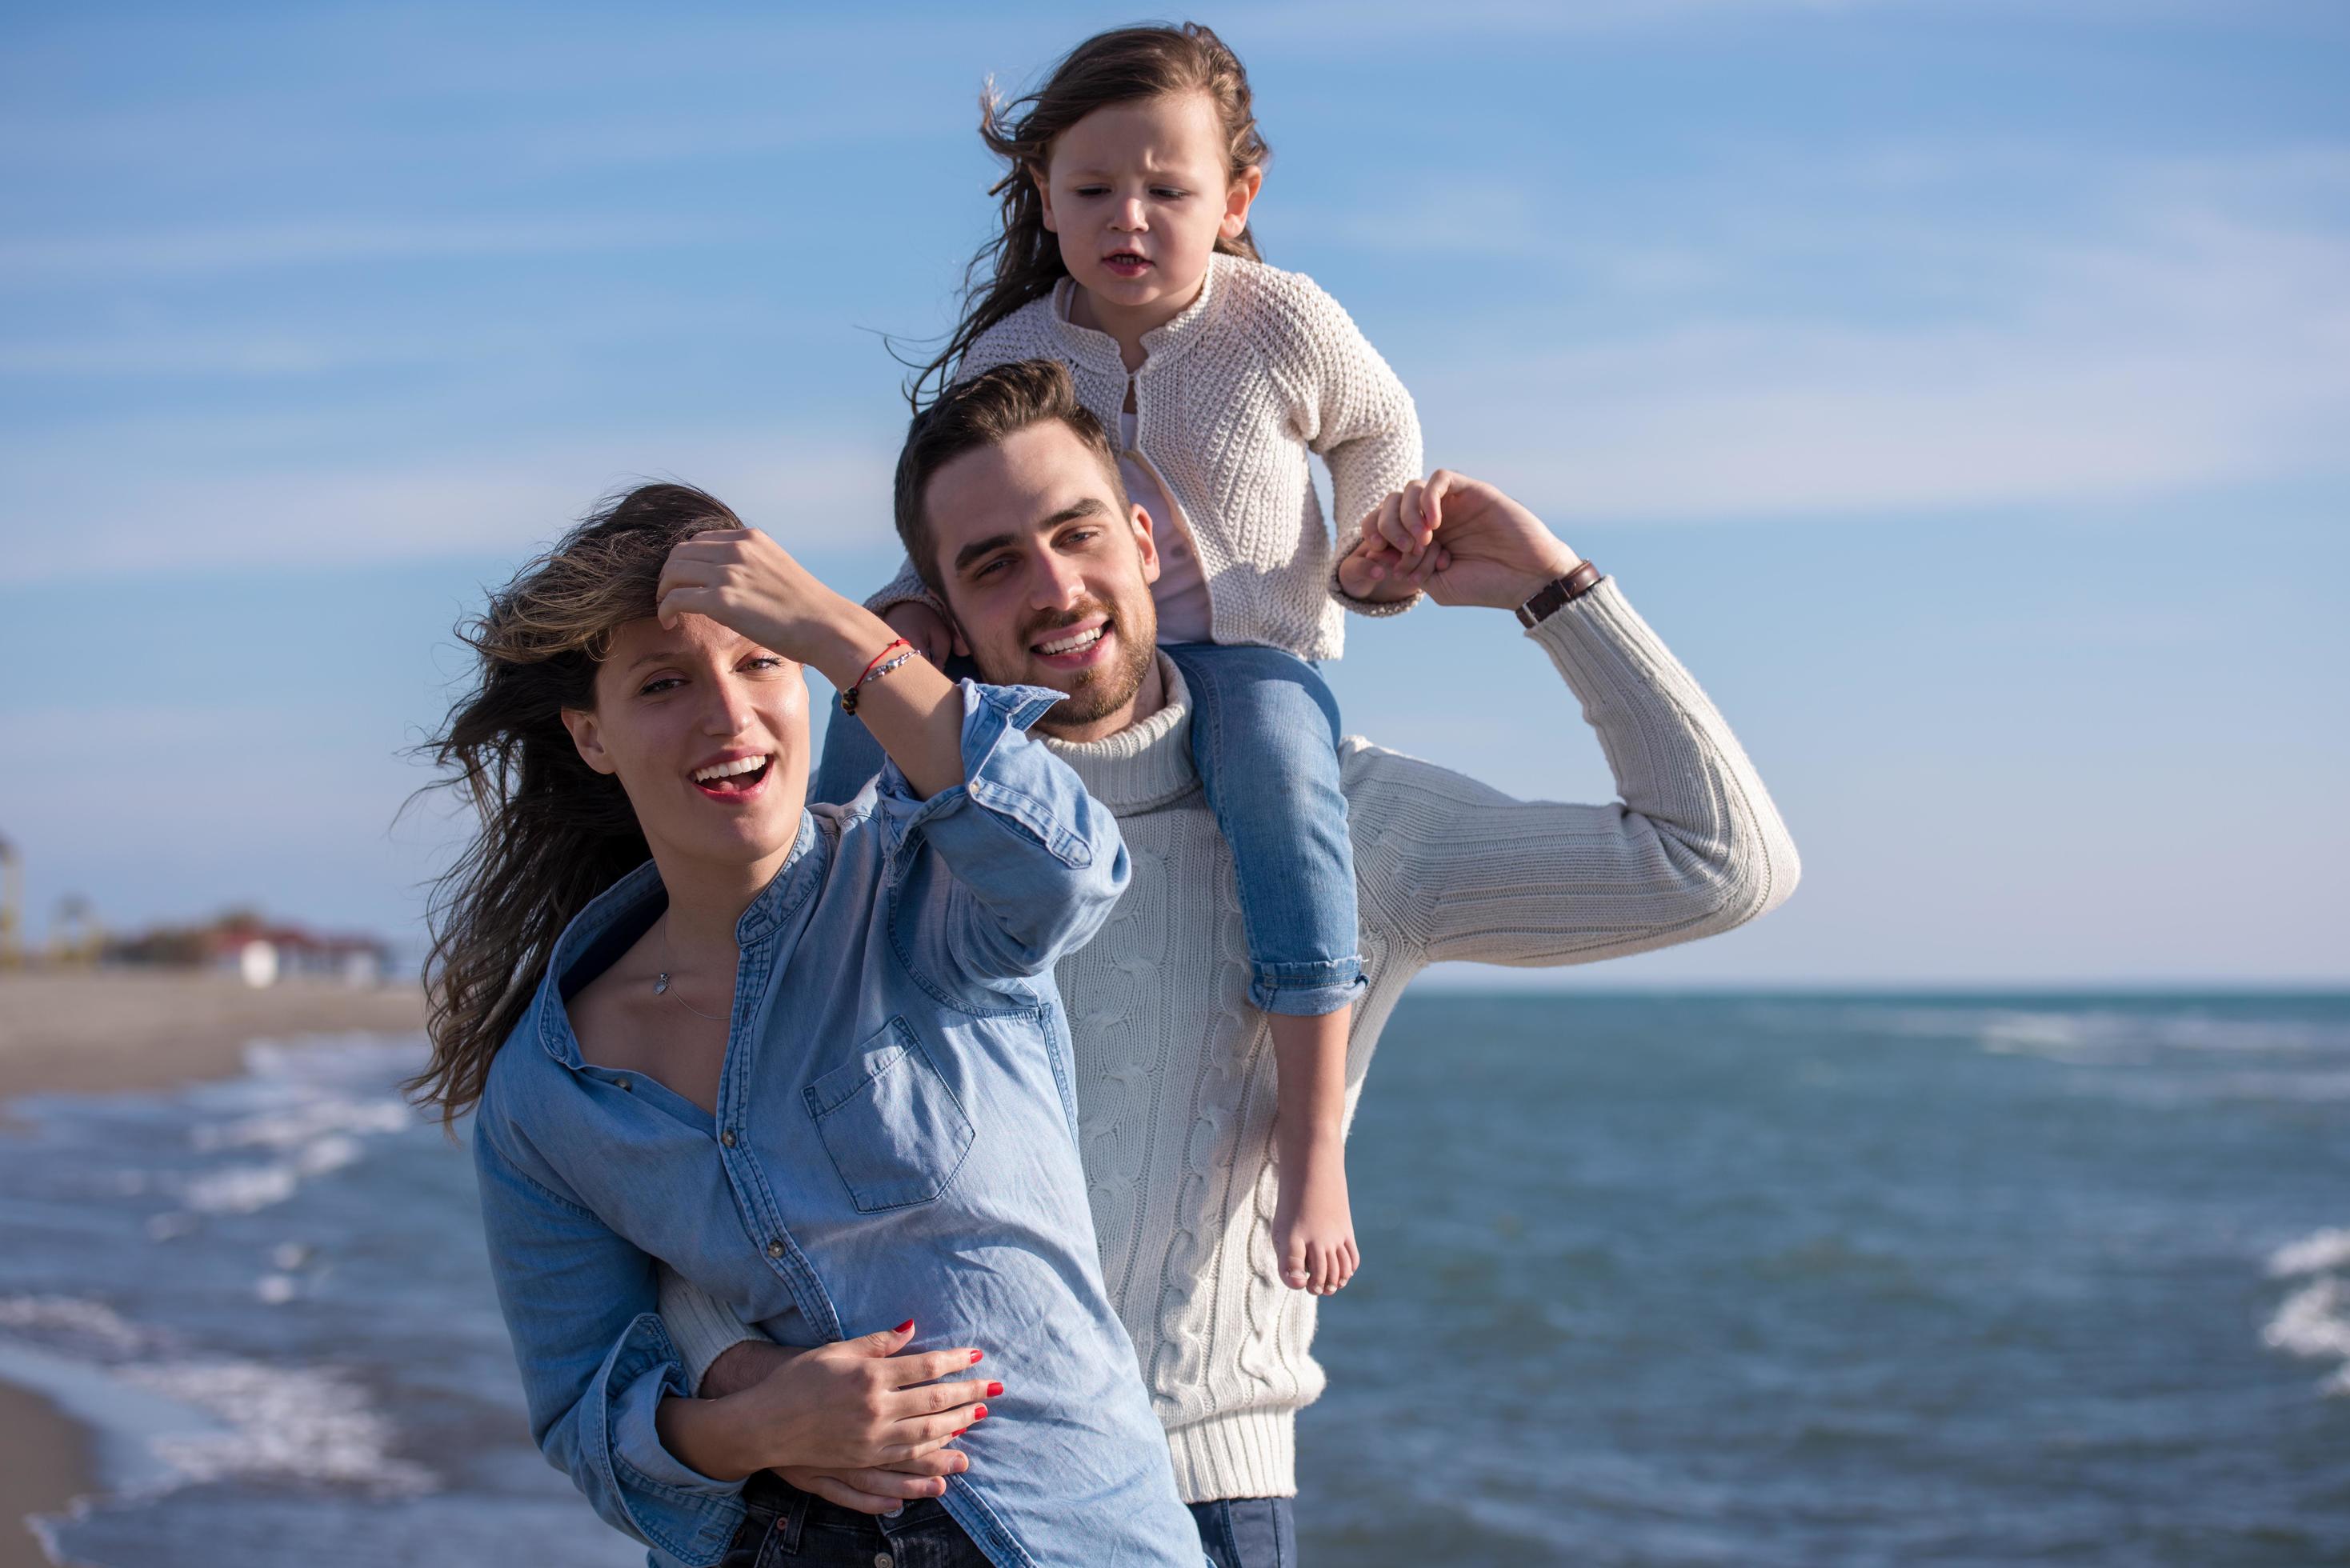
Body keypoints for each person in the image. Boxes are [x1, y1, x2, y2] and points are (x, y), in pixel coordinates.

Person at [664, 360, 1802, 1567]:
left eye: (1076, 533)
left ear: (1145, 541)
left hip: (1206, 1490)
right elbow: (700, 1157)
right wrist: (745, 1393)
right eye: (995, 563)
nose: (1053, 588)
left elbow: (1719, 865)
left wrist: (1552, 589)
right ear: (939, 614)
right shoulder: (875, 843)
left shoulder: (1344, 824)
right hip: (907, 1500)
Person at [407, 482, 1208, 1567]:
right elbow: (580, 1411)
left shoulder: (923, 896)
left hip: (1066, 1535)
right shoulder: (552, 1087)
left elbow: (1069, 869)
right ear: (591, 736)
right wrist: (754, 1427)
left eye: (760, 662)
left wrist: (842, 634)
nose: (728, 718)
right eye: (663, 683)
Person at [869, 21, 1427, 1299]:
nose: (1130, 216)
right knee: (869, 718)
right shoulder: (1013, 352)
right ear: (1044, 197)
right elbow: (955, 513)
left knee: (1289, 796)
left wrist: (1374, 549)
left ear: (1235, 197)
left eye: (1168, 190)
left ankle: (1309, 1126)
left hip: (1246, 655)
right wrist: (910, 608)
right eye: (1092, 190)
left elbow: (1375, 429)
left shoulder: (1282, 320)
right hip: (1062, 658)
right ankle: (850, 1026)